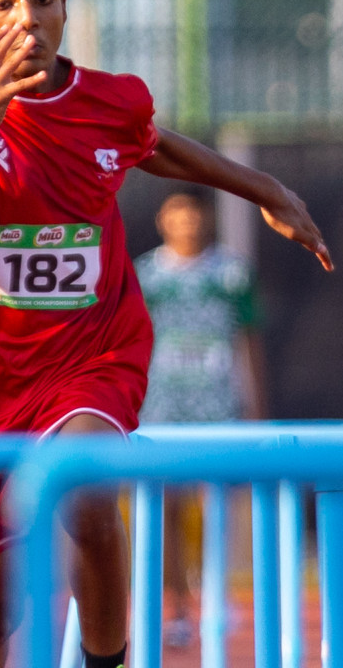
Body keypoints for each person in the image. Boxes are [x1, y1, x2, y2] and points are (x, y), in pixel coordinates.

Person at [0, 0, 332, 668]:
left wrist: (265, 189)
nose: (28, 18)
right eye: (5, 1)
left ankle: (106, 660)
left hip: (93, 357)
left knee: (90, 488)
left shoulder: (110, 100)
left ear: (64, 3)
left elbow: (156, 146)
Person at [136, 188, 265, 646]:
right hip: (162, 404)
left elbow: (249, 340)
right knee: (166, 507)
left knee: (216, 506)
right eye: (177, 212)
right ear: (161, 219)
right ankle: (177, 605)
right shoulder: (146, 276)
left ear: (206, 217)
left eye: (193, 212)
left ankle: (217, 598)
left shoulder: (231, 273)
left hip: (216, 402)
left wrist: (255, 407)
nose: (186, 221)